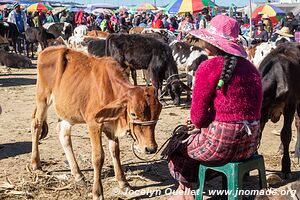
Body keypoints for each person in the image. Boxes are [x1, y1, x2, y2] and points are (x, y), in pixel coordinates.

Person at [167, 15, 262, 200]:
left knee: (177, 146)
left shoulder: (208, 67)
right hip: (250, 145)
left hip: (220, 144)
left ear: (212, 42)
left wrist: (200, 124)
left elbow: (197, 117)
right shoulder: (251, 68)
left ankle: (185, 191)